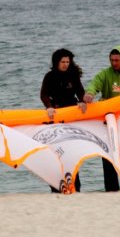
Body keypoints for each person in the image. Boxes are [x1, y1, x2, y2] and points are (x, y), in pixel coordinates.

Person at [83, 46, 120, 192]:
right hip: (109, 122)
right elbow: (95, 83)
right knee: (109, 154)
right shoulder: (105, 74)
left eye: (117, 60)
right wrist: (90, 93)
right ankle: (111, 188)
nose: (114, 63)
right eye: (112, 60)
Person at [40, 48, 86, 193]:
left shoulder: (73, 75)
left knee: (72, 153)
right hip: (56, 116)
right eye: (63, 62)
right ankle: (56, 186)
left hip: (71, 118)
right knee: (57, 154)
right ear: (56, 62)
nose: (66, 64)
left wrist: (82, 102)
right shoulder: (49, 76)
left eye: (68, 62)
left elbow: (81, 92)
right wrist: (48, 107)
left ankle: (75, 187)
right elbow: (43, 94)